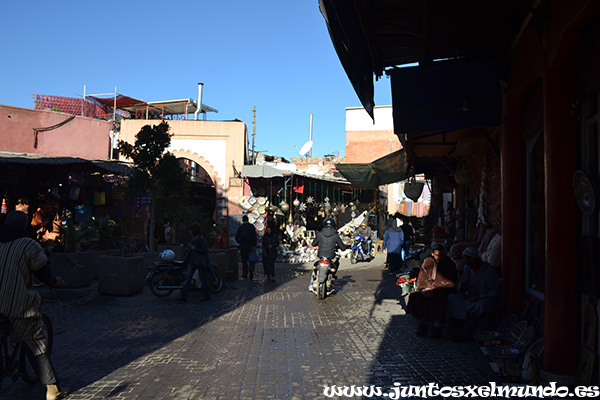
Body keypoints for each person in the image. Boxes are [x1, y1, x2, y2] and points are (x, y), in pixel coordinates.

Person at [0, 210, 68, 400]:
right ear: (24, 226)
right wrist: (55, 282)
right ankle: (52, 389)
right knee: (35, 341)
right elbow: (43, 273)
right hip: (17, 303)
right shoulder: (27, 245)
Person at [447, 247, 499, 341]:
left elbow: (494, 292)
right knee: (452, 298)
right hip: (470, 298)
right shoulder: (468, 269)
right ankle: (456, 327)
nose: (464, 260)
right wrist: (463, 284)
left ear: (471, 259)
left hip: (484, 300)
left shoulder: (488, 271)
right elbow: (461, 289)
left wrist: (479, 298)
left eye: (465, 258)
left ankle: (466, 332)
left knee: (481, 306)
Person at [406, 244, 457, 338]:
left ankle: (437, 326)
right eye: (437, 255)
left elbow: (451, 283)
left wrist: (435, 290)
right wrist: (424, 289)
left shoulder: (449, 264)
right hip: (427, 290)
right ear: (432, 254)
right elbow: (421, 279)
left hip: (441, 291)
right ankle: (422, 323)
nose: (439, 258)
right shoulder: (428, 262)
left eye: (441, 255)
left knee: (441, 299)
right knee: (415, 297)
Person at [309, 217, 346, 291]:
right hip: (331, 257)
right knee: (337, 263)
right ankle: (332, 276)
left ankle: (311, 284)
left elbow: (313, 244)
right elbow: (343, 248)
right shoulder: (336, 235)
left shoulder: (319, 234)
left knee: (315, 266)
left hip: (320, 256)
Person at [179, 222, 210, 303]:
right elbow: (191, 252)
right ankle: (183, 297)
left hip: (199, 262)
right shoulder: (194, 239)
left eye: (190, 230)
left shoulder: (200, 239)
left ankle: (206, 295)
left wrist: (195, 249)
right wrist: (186, 261)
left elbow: (204, 251)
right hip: (193, 262)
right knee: (188, 279)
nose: (189, 232)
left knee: (202, 279)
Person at [235, 215, 257, 279]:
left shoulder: (241, 227)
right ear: (248, 220)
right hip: (250, 246)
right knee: (251, 259)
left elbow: (237, 237)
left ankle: (245, 273)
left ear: (243, 220)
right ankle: (251, 272)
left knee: (244, 261)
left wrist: (240, 243)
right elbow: (254, 236)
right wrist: (254, 245)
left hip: (243, 246)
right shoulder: (251, 227)